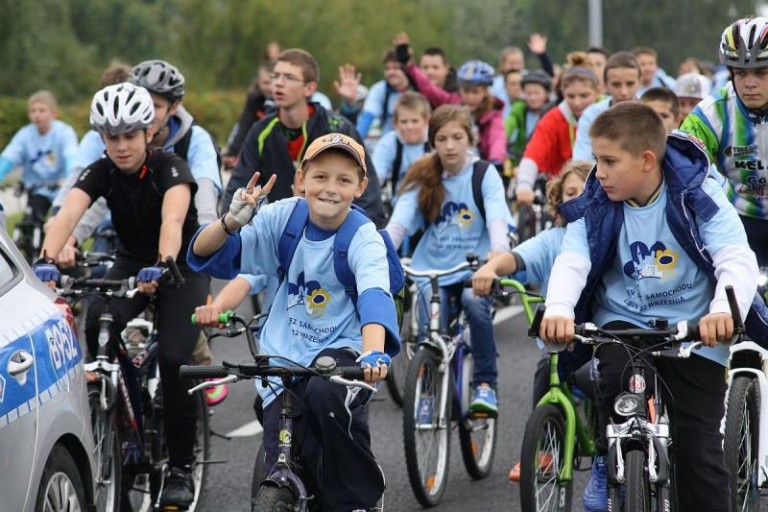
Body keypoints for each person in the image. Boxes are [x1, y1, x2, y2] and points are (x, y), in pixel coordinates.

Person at [539, 102, 768, 512]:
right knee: (618, 399)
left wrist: (723, 313)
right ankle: (617, 465)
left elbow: (735, 255)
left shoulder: (697, 193)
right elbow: (573, 258)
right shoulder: (597, 199)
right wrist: (558, 309)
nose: (599, 172)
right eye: (596, 160)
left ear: (647, 160)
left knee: (698, 454)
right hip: (622, 323)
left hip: (696, 330)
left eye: (609, 161)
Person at [188, 133, 398, 511]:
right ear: (301, 178)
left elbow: (374, 296)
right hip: (283, 355)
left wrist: (374, 354)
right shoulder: (283, 217)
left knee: (322, 397)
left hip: (345, 353)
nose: (330, 189)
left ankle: (357, 499)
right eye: (320, 177)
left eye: (344, 180)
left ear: (360, 187)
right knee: (278, 446)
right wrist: (230, 222)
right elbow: (210, 255)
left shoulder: (363, 236)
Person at [35, 82, 209, 508]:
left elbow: (173, 221)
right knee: (96, 322)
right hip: (132, 259)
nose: (121, 145)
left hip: (179, 265)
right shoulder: (100, 170)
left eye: (129, 135)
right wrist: (46, 259)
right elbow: (68, 214)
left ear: (148, 132)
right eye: (111, 137)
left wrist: (164, 263)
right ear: (101, 138)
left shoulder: (171, 169)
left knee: (173, 358)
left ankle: (182, 466)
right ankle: (124, 416)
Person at [386, 104, 514, 413]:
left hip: (475, 267)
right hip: (431, 266)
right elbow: (400, 221)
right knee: (431, 329)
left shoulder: (484, 173)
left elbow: (497, 216)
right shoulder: (423, 174)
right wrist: (381, 249)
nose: (450, 145)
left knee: (473, 302)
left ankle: (485, 383)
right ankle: (429, 391)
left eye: (457, 137)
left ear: (469, 138)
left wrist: (498, 250)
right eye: (442, 138)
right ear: (432, 142)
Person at [473, 160, 591, 482]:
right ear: (557, 203)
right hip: (560, 339)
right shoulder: (554, 239)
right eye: (570, 193)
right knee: (546, 371)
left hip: (602, 338)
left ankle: (612, 455)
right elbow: (518, 257)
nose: (577, 198)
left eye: (584, 191)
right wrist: (491, 269)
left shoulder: (607, 233)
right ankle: (543, 449)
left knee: (603, 381)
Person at [222, 48, 386, 227]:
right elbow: (238, 188)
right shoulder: (261, 130)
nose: (278, 83)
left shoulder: (337, 127)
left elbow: (369, 197)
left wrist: (364, 235)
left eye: (289, 77)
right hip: (283, 230)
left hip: (334, 231)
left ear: (309, 88)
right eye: (275, 76)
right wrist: (227, 227)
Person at [681, 16, 768, 267]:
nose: (749, 83)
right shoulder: (712, 113)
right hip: (739, 219)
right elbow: (683, 172)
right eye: (740, 73)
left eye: (761, 72)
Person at [394, 32, 506, 166]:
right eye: (466, 91)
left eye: (475, 92)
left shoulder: (493, 115)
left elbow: (497, 138)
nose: (470, 97)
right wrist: (408, 65)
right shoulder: (453, 102)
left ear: (485, 92)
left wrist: (496, 160)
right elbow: (429, 88)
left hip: (484, 165)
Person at [514, 63, 600, 205]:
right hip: (565, 194)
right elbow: (534, 153)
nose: (577, 102)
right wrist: (524, 186)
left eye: (584, 95)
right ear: (562, 93)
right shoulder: (554, 118)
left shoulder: (608, 113)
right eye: (570, 96)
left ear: (597, 92)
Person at [0, 90, 78, 222]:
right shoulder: (24, 135)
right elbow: (8, 158)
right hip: (38, 190)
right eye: (33, 111)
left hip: (61, 189)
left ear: (53, 113)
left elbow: (71, 158)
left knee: (63, 224)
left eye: (42, 110)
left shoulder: (65, 133)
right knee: (29, 223)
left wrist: (69, 180)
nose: (37, 115)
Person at [572, 51, 642, 161]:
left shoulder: (653, 113)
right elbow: (582, 162)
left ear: (640, 82)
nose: (624, 92)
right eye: (616, 84)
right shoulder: (591, 116)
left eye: (630, 84)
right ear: (605, 84)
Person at [372, 91, 431, 199]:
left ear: (427, 121)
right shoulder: (388, 142)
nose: (409, 127)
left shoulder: (435, 141)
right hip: (399, 200)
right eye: (404, 122)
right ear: (395, 123)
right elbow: (375, 178)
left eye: (415, 121)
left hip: (431, 200)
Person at [224, 60, 276, 168]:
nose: (270, 88)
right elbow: (245, 124)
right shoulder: (255, 99)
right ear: (259, 82)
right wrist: (233, 152)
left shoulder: (285, 101)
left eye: (273, 82)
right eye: (266, 83)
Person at [355, 49, 412, 140]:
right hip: (389, 142)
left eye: (395, 68)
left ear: (405, 70)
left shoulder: (417, 89)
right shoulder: (379, 89)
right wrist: (355, 143)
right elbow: (366, 119)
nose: (391, 72)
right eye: (387, 68)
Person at [505, 70, 555, 168]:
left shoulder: (553, 112)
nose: (532, 98)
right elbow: (508, 126)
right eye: (528, 93)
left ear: (547, 94)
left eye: (537, 93)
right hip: (522, 158)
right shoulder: (519, 109)